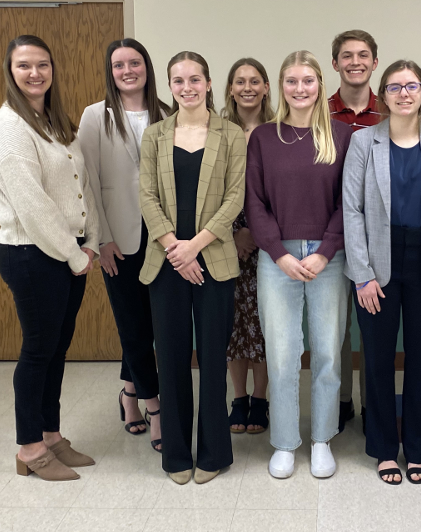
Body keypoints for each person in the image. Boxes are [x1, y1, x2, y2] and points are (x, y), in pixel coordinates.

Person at [0, 34, 100, 481]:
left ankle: (51, 436)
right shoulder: (9, 126)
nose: (35, 73)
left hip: (65, 253)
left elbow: (79, 183)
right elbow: (32, 205)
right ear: (10, 72)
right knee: (37, 352)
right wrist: (74, 255)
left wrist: (90, 242)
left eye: (43, 65)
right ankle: (29, 448)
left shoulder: (50, 120)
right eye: (24, 66)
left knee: (56, 350)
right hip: (31, 255)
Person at [343, 60, 421, 485]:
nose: (404, 93)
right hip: (378, 260)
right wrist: (361, 273)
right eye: (395, 86)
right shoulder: (363, 142)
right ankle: (382, 450)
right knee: (376, 359)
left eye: (412, 86)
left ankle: (416, 450)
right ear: (383, 94)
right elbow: (351, 210)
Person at [245, 50, 352, 479]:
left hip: (330, 255)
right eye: (291, 81)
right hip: (278, 258)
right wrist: (280, 252)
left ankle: (322, 439)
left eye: (308, 80)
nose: (300, 88)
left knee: (327, 351)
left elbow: (351, 202)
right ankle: (285, 443)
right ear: (280, 86)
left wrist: (325, 250)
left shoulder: (343, 136)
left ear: (320, 84)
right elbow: (254, 202)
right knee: (284, 353)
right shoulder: (263, 138)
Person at [139, 51, 245, 485]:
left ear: (208, 82)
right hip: (165, 265)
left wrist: (196, 246)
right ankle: (177, 456)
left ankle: (215, 453)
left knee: (214, 362)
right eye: (178, 80)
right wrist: (174, 248)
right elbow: (146, 196)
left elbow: (235, 196)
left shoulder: (232, 133)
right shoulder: (155, 135)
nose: (187, 87)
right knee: (172, 359)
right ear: (169, 86)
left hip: (214, 261)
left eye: (195, 79)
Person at [78, 38, 169, 453]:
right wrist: (102, 239)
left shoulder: (167, 113)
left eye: (135, 62)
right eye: (119, 65)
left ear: (147, 68)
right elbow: (87, 182)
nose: (128, 70)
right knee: (132, 324)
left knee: (152, 324)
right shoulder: (95, 116)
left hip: (163, 237)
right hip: (120, 239)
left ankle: (128, 393)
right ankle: (154, 409)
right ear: (110, 71)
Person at [328, 29, 381, 433]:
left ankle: (372, 405)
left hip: (377, 235)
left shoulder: (394, 109)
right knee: (336, 325)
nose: (355, 62)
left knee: (372, 323)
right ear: (335, 64)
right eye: (347, 56)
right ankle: (341, 399)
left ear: (375, 62)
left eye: (363, 55)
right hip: (331, 232)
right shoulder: (318, 111)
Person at [220, 58, 274, 435]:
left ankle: (260, 399)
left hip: (268, 241)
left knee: (265, 324)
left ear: (267, 87)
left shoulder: (279, 131)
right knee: (233, 324)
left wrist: (256, 232)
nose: (248, 88)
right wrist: (233, 232)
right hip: (222, 240)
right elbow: (211, 190)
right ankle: (237, 398)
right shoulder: (217, 131)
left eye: (255, 81)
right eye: (240, 82)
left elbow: (282, 190)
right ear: (230, 88)